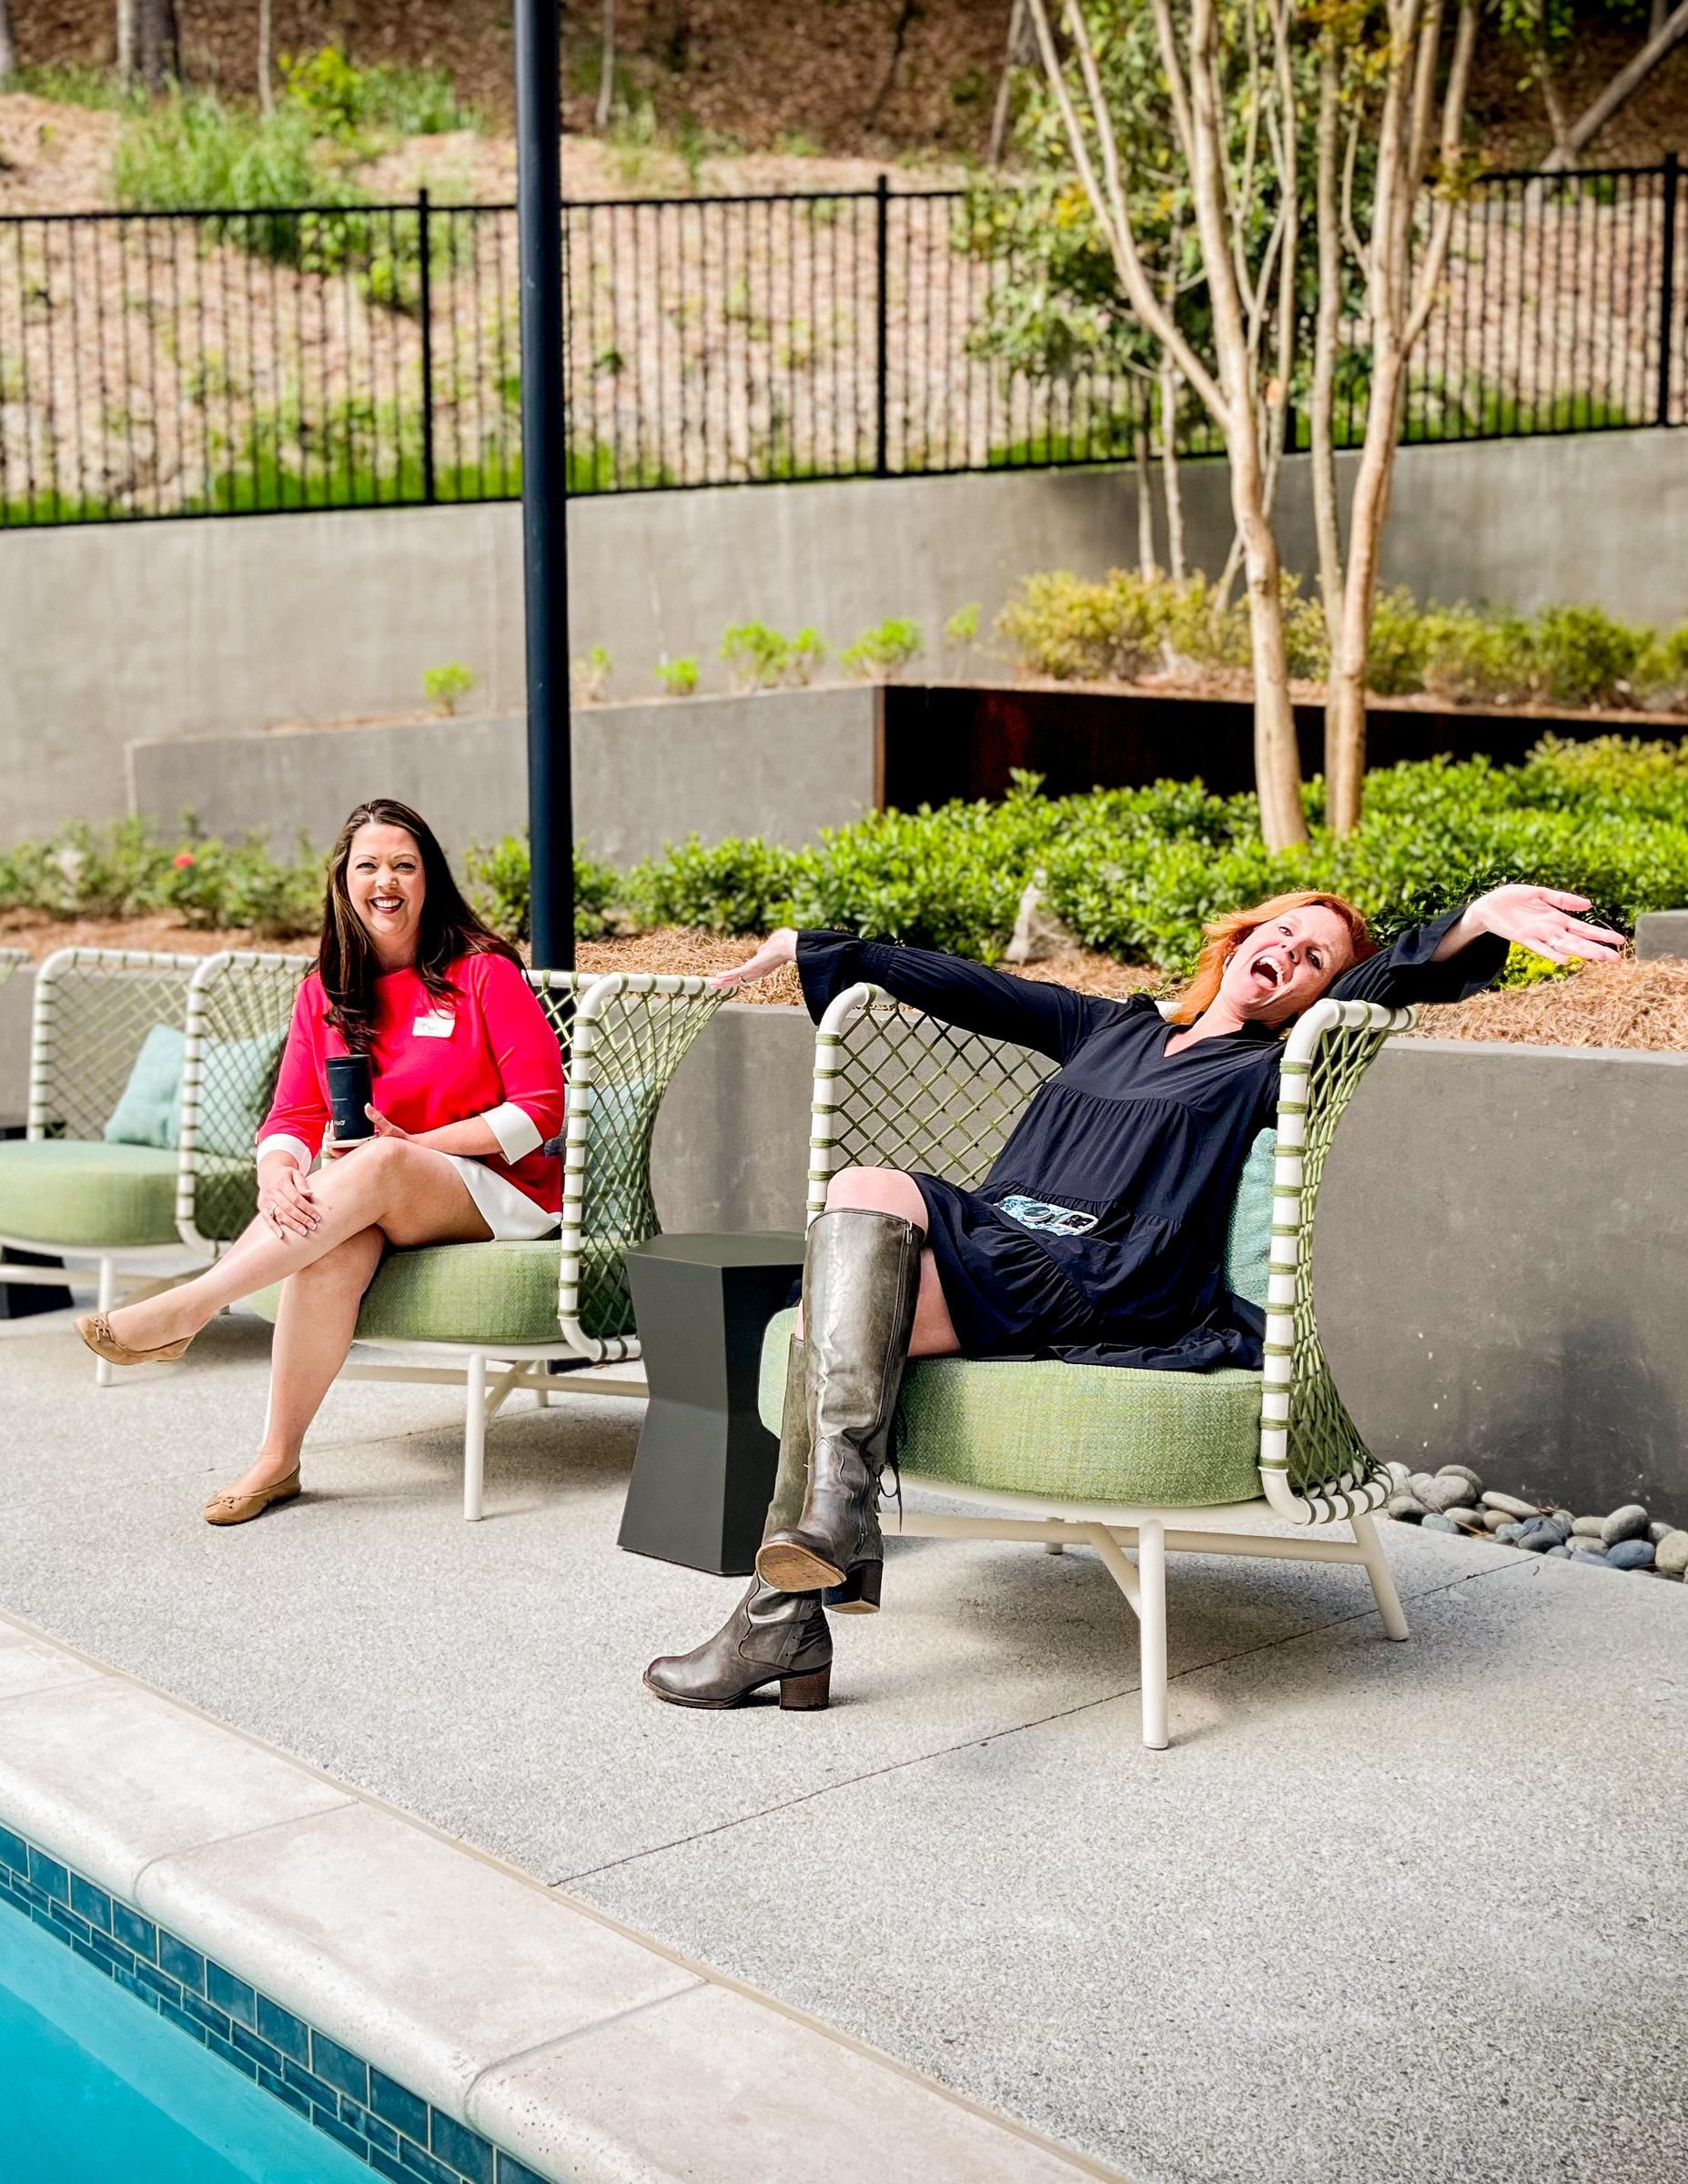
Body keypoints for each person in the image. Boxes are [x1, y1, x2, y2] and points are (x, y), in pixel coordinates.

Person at [644, 883, 1624, 1714]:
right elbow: (977, 988)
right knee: (843, 1279)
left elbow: (1386, 982)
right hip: (1002, 1240)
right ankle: (801, 1594)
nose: (1289, 953)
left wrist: (1473, 920)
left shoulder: (1271, 1067)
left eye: (1314, 958)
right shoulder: (1111, 1027)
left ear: (1315, 992)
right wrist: (816, 948)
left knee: (850, 1240)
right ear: (1239, 940)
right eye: (1282, 932)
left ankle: (803, 1582)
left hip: (1103, 1272)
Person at [75, 798, 565, 1525]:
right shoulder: (325, 992)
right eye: (368, 866)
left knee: (381, 1163)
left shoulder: (482, 972)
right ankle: (278, 1459)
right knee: (328, 1251)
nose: (385, 881)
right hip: (378, 1191)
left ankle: (193, 1304)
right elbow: (293, 1116)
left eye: (403, 865)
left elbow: (541, 1109)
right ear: (343, 882)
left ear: (429, 879)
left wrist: (415, 1145)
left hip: (497, 1191)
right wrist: (277, 1173)